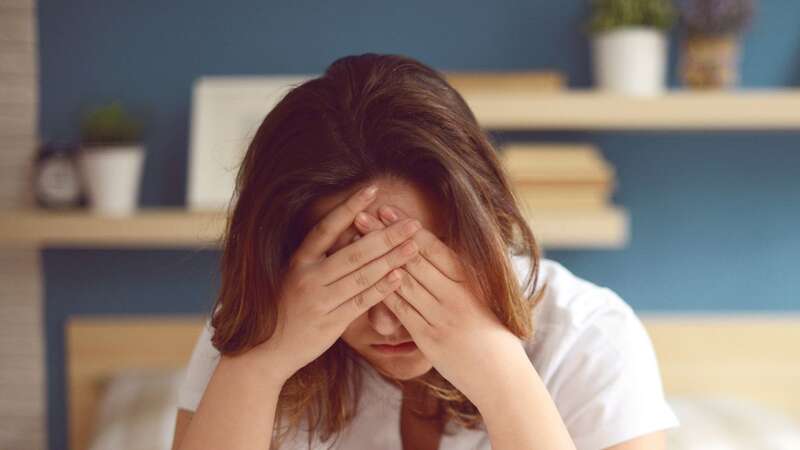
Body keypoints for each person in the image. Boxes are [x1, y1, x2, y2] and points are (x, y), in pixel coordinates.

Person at [171, 53, 679, 450]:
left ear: (484, 230)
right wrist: (260, 362)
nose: (389, 325)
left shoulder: (590, 338)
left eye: (418, 266)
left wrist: (500, 374)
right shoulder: (255, 323)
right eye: (354, 275)